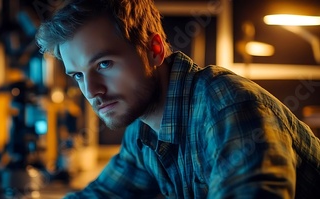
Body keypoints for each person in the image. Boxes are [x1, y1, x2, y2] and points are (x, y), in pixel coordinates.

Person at [35, 0, 320, 198]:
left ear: (154, 49)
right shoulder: (142, 130)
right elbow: (104, 194)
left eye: (104, 64)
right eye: (79, 76)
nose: (92, 91)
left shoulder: (227, 107)